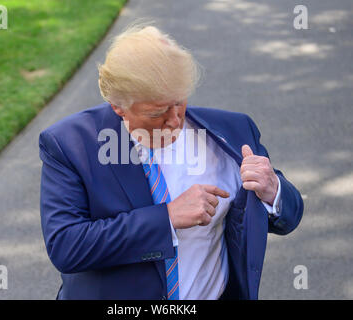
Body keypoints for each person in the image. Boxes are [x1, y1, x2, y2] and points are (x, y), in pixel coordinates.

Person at [39, 24, 304, 300]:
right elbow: (66, 246)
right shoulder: (70, 144)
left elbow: (289, 217)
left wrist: (273, 190)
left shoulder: (233, 131)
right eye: (157, 113)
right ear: (117, 106)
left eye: (179, 102)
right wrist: (167, 218)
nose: (175, 120)